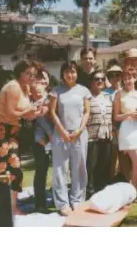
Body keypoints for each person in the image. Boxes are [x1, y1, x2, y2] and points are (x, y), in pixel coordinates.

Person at [0, 60, 44, 215]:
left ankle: (13, 207)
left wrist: (35, 113)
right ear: (20, 73)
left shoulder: (26, 88)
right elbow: (11, 112)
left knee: (15, 166)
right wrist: (29, 111)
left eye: (33, 74)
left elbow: (24, 114)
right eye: (28, 73)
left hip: (13, 129)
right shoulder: (13, 87)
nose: (31, 77)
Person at [50, 60, 91, 215]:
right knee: (60, 169)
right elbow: (52, 112)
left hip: (79, 134)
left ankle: (77, 200)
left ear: (77, 73)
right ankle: (62, 204)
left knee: (79, 168)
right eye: (67, 71)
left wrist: (80, 130)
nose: (70, 74)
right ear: (63, 74)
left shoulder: (84, 91)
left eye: (73, 71)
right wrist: (62, 131)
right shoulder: (56, 91)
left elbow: (87, 112)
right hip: (61, 135)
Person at [85, 70, 114, 198]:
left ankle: (102, 191)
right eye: (97, 79)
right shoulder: (87, 97)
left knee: (104, 165)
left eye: (102, 79)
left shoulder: (108, 97)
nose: (100, 81)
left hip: (107, 136)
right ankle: (90, 192)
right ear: (91, 82)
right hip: (92, 136)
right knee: (91, 166)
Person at [30, 68, 55, 211]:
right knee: (41, 170)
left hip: (55, 136)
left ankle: (58, 199)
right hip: (40, 141)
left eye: (45, 78)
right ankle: (40, 203)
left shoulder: (52, 96)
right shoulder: (31, 96)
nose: (43, 81)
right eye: (40, 78)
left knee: (59, 170)